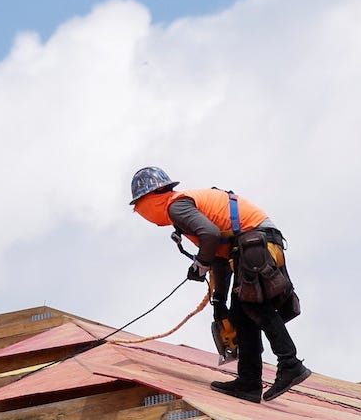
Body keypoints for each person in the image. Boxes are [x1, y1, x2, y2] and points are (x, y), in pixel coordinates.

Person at [128, 166, 309, 402]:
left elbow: (210, 235)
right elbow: (221, 258)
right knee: (241, 314)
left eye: (139, 207)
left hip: (255, 242)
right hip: (251, 245)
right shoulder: (183, 208)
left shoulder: (176, 206)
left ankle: (290, 364)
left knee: (255, 306)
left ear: (148, 199)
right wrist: (218, 301)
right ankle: (249, 382)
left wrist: (200, 264)